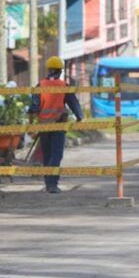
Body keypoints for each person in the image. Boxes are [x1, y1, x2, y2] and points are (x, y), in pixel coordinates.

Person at [28, 56, 84, 194]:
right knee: (56, 155)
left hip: (43, 126)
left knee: (47, 155)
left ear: (48, 70)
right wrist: (79, 117)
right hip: (59, 125)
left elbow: (34, 108)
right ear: (60, 71)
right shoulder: (64, 86)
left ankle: (49, 184)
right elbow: (73, 103)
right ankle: (52, 184)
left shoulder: (40, 85)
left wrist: (31, 124)